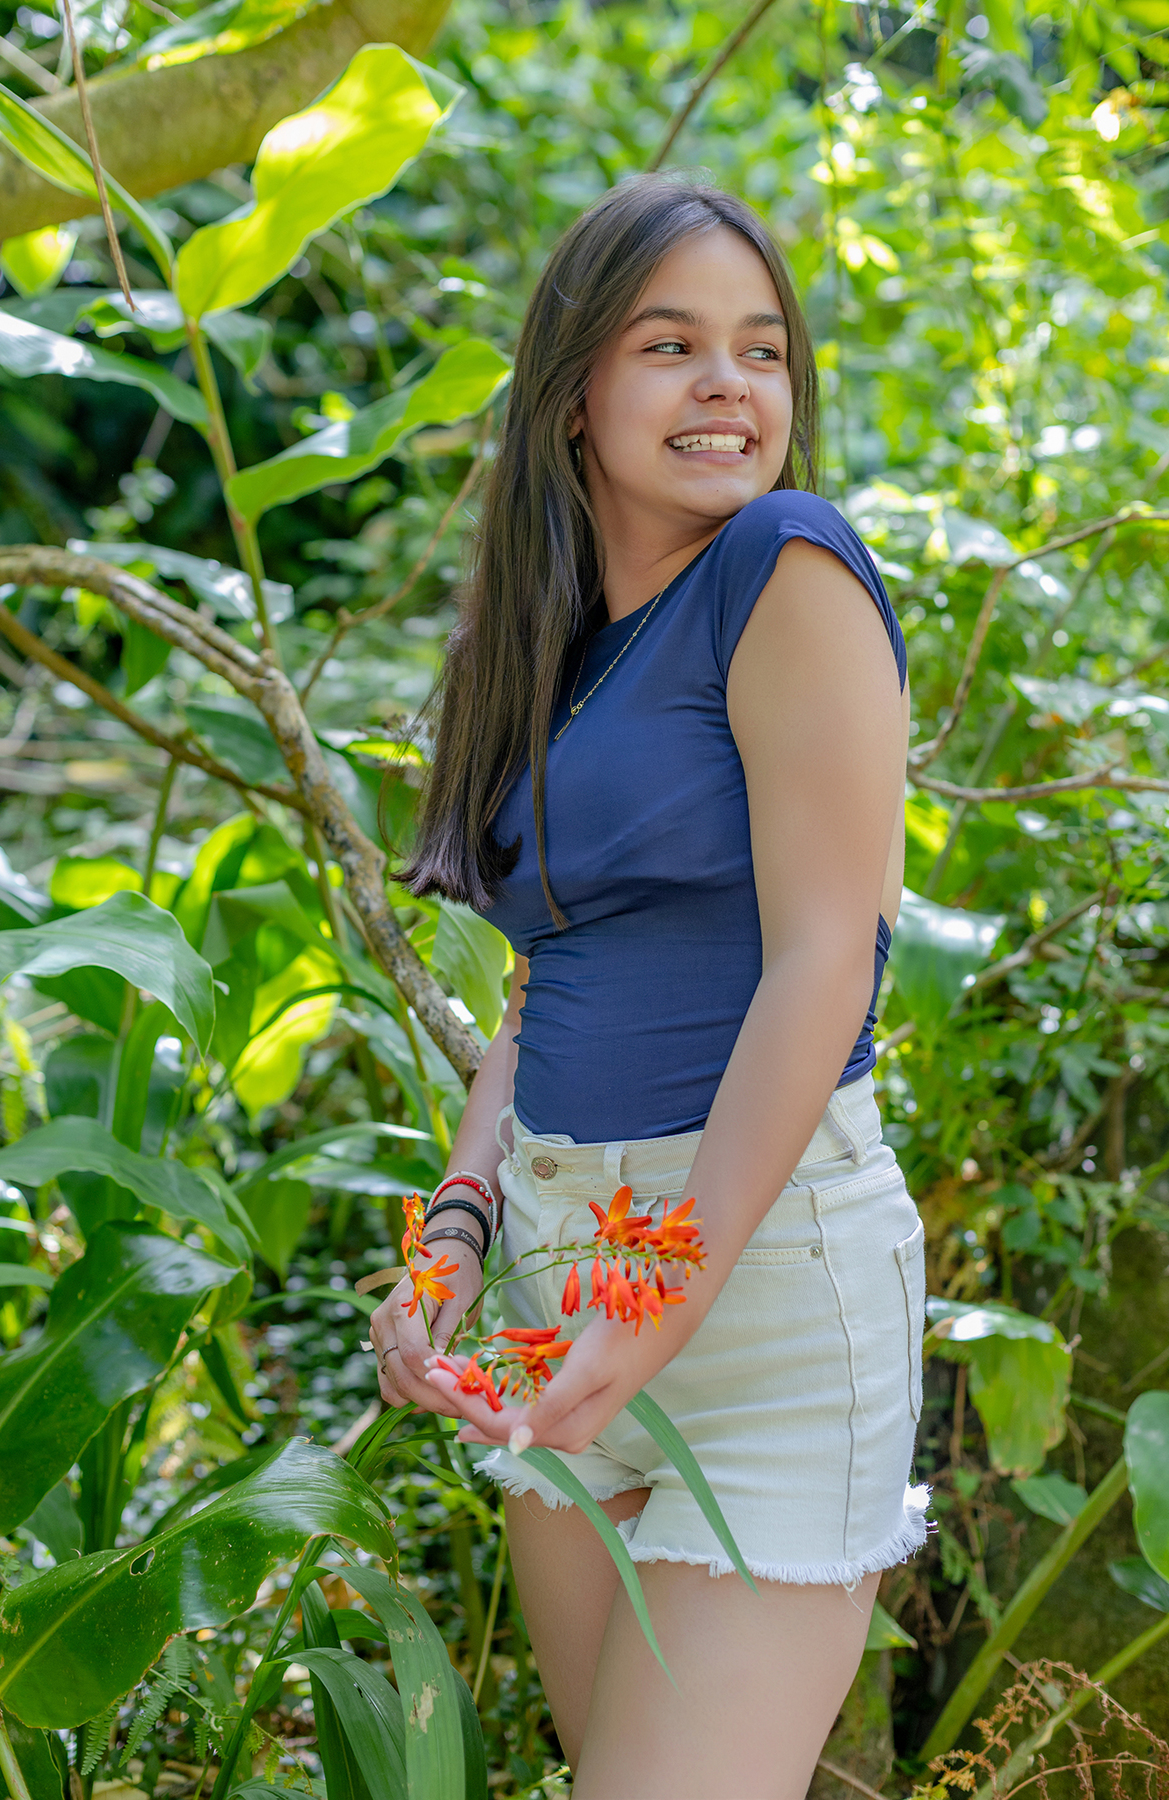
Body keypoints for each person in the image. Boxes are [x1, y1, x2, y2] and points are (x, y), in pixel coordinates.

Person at [368, 173, 928, 1799]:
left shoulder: (785, 568)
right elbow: (540, 1000)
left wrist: (655, 1298)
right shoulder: (541, 654)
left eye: (760, 350)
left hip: (752, 1305)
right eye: (670, 344)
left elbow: (831, 955)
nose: (729, 387)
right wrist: (453, 1241)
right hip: (562, 1291)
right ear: (573, 397)